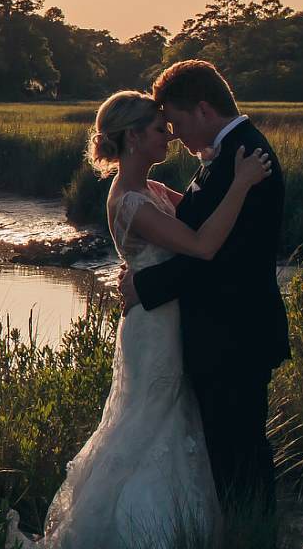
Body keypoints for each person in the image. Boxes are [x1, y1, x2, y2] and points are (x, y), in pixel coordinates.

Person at [8, 86, 273, 549]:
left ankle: (182, 547)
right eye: (158, 129)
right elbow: (201, 244)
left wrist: (215, 161)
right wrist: (240, 182)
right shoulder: (129, 201)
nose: (168, 135)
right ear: (132, 137)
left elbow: (196, 215)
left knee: (173, 424)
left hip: (168, 321)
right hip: (154, 331)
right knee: (148, 425)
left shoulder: (152, 190)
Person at [120, 59, 290, 509]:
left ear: (201, 109)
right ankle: (245, 545)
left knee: (241, 454)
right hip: (221, 333)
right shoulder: (225, 154)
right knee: (230, 450)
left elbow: (220, 257)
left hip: (236, 332)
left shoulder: (246, 157)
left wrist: (147, 284)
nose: (174, 134)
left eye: (173, 122)